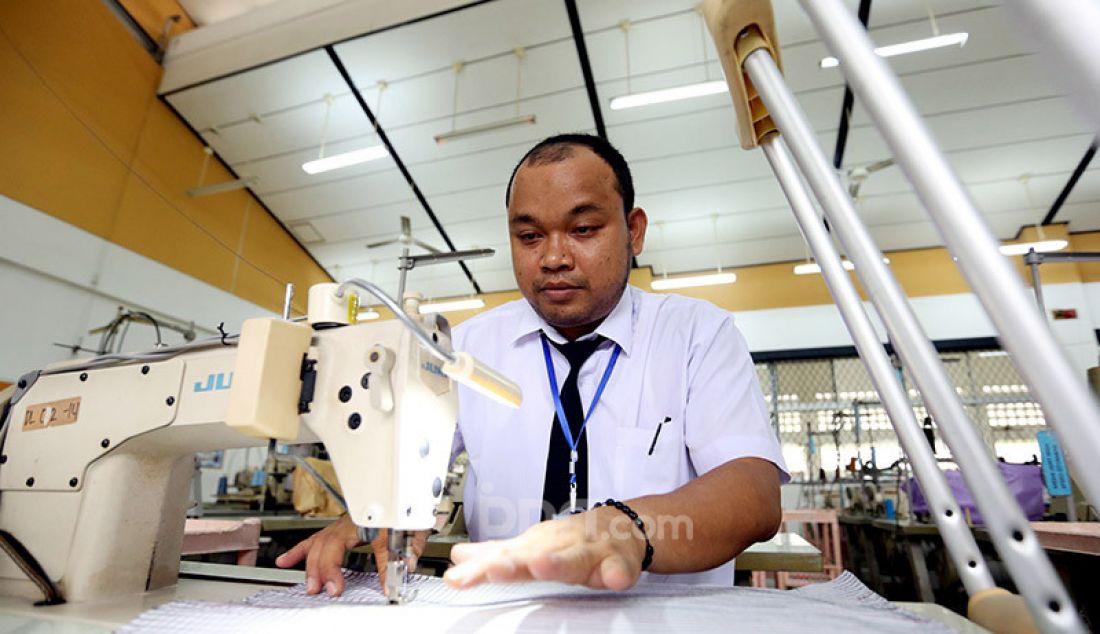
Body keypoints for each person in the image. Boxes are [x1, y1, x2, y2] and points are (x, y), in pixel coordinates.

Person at [276, 133, 787, 596]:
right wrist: (369, 513)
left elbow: (753, 494)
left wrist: (624, 529)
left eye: (583, 228)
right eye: (529, 237)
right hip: (508, 615)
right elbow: (410, 459)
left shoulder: (697, 335)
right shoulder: (465, 349)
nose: (554, 257)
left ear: (634, 231)